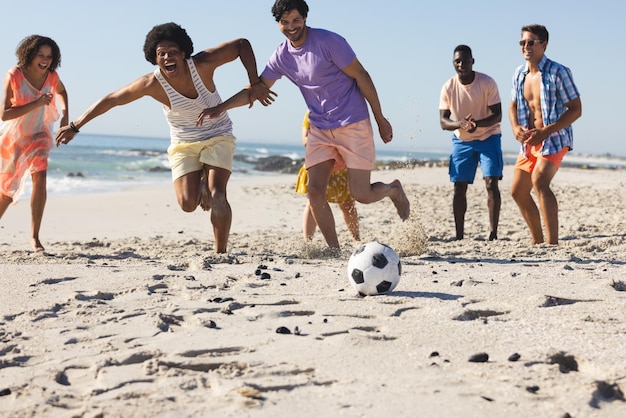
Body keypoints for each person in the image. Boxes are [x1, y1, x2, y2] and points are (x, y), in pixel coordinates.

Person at [198, 0, 410, 251]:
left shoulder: (329, 42)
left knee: (361, 194)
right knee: (315, 191)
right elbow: (258, 90)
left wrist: (380, 117)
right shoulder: (282, 56)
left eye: (296, 20)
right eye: (284, 22)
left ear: (305, 18)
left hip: (352, 122)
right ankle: (335, 250)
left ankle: (393, 190)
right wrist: (219, 108)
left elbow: (361, 76)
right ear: (278, 24)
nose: (291, 27)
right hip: (319, 127)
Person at [55, 22, 274, 253]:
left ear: (183, 53)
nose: (167, 57)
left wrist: (254, 82)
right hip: (183, 143)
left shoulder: (202, 64)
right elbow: (112, 99)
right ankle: (202, 182)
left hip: (217, 134)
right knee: (187, 204)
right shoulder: (151, 83)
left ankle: (221, 253)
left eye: (172, 51)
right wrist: (75, 125)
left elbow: (241, 45)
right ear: (154, 57)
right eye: (161, 54)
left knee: (218, 194)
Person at [509, 24, 582, 245]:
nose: (526, 47)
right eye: (522, 42)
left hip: (554, 137)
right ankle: (537, 242)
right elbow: (512, 106)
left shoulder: (558, 72)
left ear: (544, 44)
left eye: (531, 42)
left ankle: (552, 243)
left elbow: (576, 109)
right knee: (518, 192)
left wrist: (546, 131)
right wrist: (515, 128)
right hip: (530, 141)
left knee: (540, 181)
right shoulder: (519, 73)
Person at [0, 35, 69, 252]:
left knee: (40, 177)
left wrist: (65, 118)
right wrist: (37, 103)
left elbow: (62, 92)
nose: (45, 60)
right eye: (41, 55)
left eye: (49, 57)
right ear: (30, 54)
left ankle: (35, 237)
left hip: (39, 133)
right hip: (15, 137)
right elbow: (4, 114)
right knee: (7, 190)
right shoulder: (14, 75)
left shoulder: (52, 76)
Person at [439, 45, 503, 241]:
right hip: (462, 140)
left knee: (491, 183)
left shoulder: (487, 82)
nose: (461, 65)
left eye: (465, 61)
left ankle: (493, 234)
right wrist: (460, 124)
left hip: (489, 136)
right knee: (459, 186)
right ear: (453, 64)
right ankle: (459, 235)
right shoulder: (448, 87)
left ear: (472, 61)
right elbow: (443, 121)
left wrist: (478, 125)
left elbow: (497, 114)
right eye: (457, 61)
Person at [295, 110, 360, 242]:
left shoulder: (346, 109)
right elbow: (305, 140)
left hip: (341, 165)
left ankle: (356, 239)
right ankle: (308, 242)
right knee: (313, 201)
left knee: (347, 204)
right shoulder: (312, 111)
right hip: (319, 163)